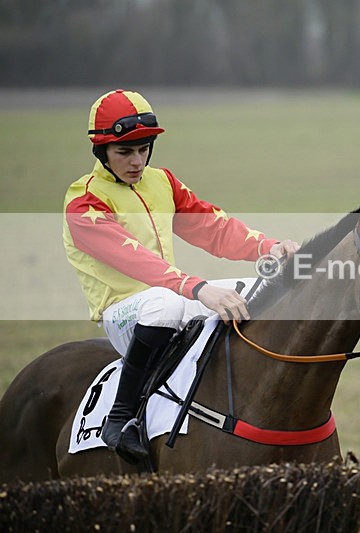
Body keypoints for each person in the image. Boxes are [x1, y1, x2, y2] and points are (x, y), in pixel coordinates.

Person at [63, 89, 299, 464]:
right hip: (125, 313)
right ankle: (120, 418)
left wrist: (267, 247)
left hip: (173, 296)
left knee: (259, 287)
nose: (137, 161)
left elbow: (213, 227)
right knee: (165, 304)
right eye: (125, 152)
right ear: (101, 152)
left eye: (144, 149)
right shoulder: (84, 201)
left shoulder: (162, 182)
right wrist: (198, 288)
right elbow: (135, 260)